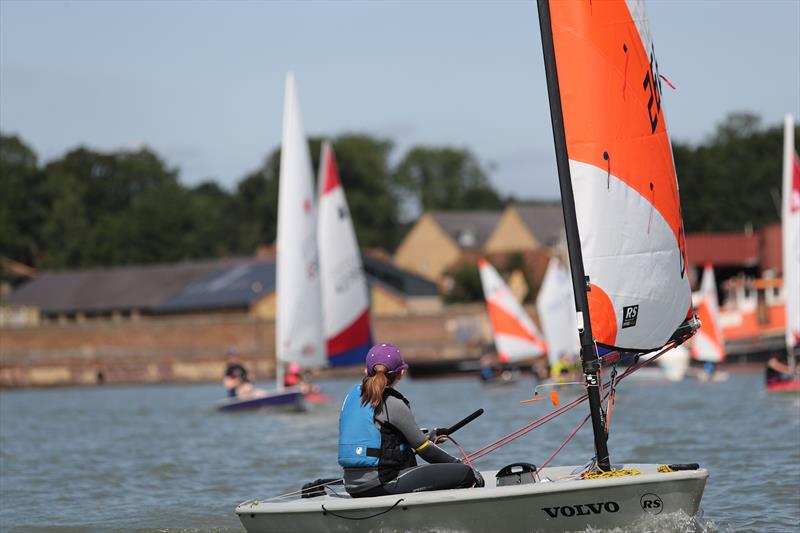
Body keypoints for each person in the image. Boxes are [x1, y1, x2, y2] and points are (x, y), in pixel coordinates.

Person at [338, 343, 483, 498]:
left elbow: (381, 437)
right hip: (382, 483)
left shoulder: (351, 397)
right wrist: (460, 465)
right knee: (465, 474)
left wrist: (428, 437)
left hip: (352, 485)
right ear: (401, 373)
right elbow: (425, 450)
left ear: (366, 371)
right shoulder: (393, 403)